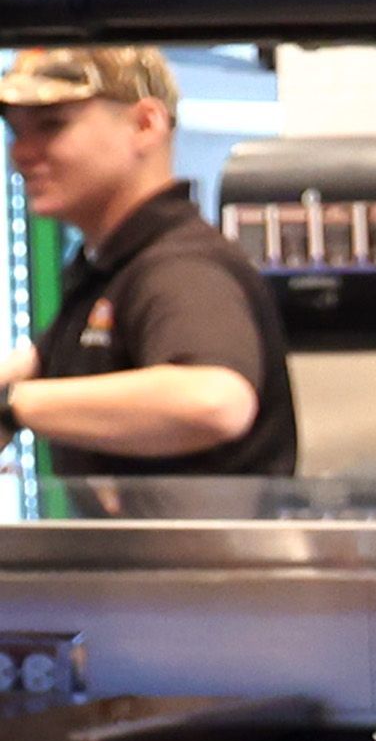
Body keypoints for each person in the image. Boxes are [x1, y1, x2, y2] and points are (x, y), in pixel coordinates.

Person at [0, 45, 294, 475]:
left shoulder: (180, 267)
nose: (22, 153)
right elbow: (38, 366)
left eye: (52, 126)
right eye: (17, 131)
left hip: (203, 545)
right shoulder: (106, 266)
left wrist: (17, 407)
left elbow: (215, 401)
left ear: (145, 124)